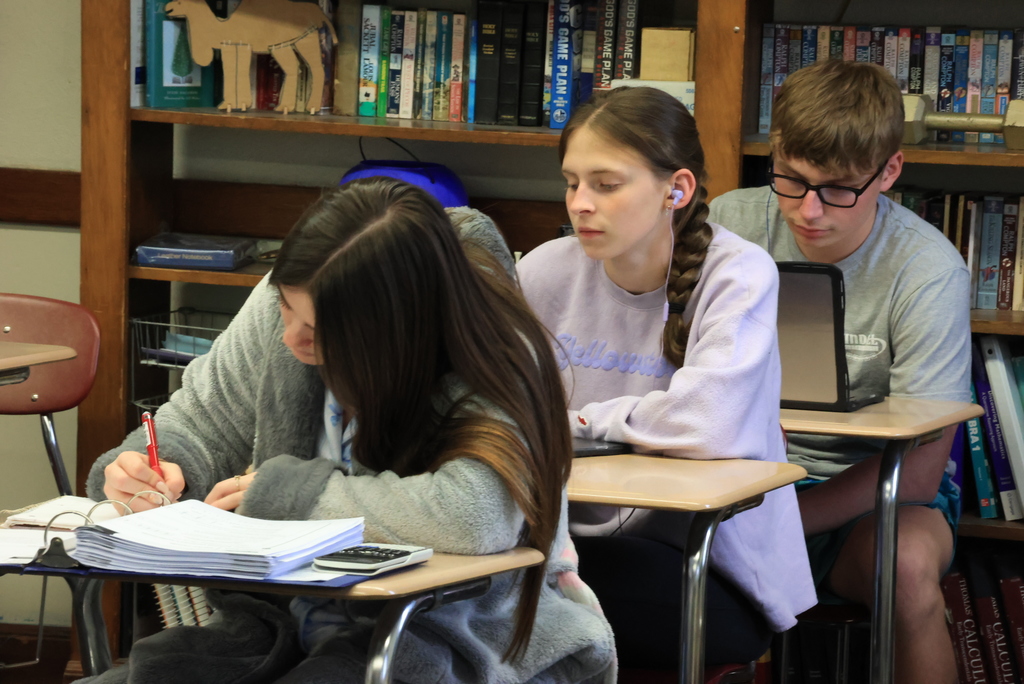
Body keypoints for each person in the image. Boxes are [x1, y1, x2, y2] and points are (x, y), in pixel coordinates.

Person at [84, 178, 615, 684]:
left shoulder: (492, 344)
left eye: (317, 330)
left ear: (395, 332)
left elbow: (476, 514)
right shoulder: (301, 292)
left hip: (460, 636)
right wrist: (154, 468)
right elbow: (199, 421)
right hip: (278, 630)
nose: (291, 338)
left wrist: (292, 497)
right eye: (284, 310)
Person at [516, 85, 816, 670]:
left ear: (675, 189)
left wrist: (576, 423)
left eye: (606, 184)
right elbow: (501, 408)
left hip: (707, 566)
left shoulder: (739, 273)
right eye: (572, 182)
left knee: (513, 592)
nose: (580, 203)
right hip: (567, 538)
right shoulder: (542, 270)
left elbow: (706, 423)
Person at [708, 59, 971, 684]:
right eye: (792, 180)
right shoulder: (728, 224)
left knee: (905, 570)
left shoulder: (927, 270)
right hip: (740, 483)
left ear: (890, 172)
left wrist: (786, 519)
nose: (810, 211)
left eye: (839, 188)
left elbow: (922, 471)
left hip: (874, 498)